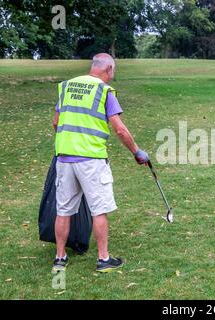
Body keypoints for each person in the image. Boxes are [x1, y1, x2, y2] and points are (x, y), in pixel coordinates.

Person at [51, 53, 149, 273]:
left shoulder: (67, 87)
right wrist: (136, 152)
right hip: (91, 161)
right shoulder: (104, 91)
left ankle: (60, 257)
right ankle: (103, 259)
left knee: (63, 210)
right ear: (109, 69)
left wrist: (67, 143)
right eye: (113, 71)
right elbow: (120, 130)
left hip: (65, 158)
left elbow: (55, 123)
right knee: (99, 210)